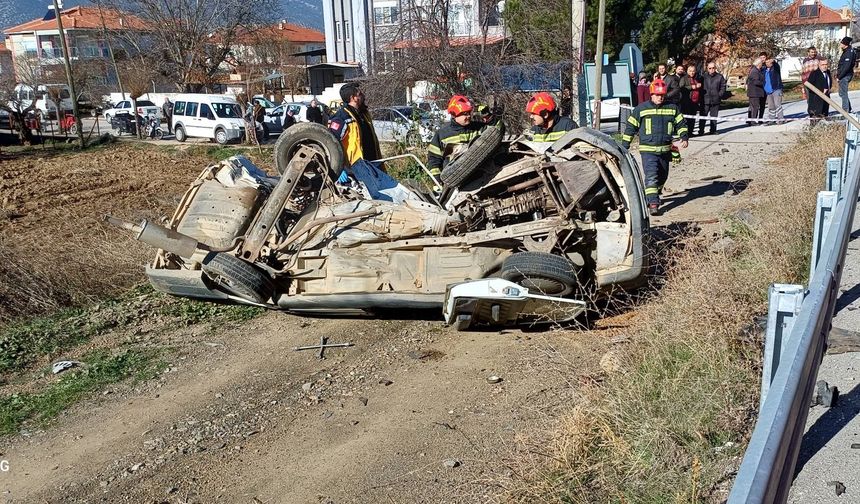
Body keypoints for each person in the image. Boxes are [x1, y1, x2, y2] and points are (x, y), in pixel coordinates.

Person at [620, 79, 689, 215]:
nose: (660, 97)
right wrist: (624, 147)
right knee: (651, 176)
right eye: (657, 95)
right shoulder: (641, 109)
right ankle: (653, 204)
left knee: (662, 177)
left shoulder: (672, 108)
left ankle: (652, 195)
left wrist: (684, 137)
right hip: (648, 151)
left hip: (665, 151)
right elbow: (630, 128)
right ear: (651, 94)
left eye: (662, 95)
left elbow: (681, 124)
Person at [427, 95, 486, 177]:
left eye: (469, 113)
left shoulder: (479, 128)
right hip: (454, 178)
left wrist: (489, 118)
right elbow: (434, 160)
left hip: (479, 174)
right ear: (454, 115)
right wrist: (437, 179)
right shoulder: (442, 135)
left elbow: (495, 132)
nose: (468, 116)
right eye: (465, 114)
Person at [329, 82, 382, 166]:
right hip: (354, 168)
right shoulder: (341, 118)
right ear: (353, 98)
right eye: (360, 94)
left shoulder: (364, 114)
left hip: (372, 163)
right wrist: (339, 167)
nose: (363, 96)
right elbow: (331, 143)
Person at [700, 62, 726, 135]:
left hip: (715, 100)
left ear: (715, 68)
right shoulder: (703, 76)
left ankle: (713, 130)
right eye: (710, 68)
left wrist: (719, 95)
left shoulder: (720, 77)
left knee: (714, 116)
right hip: (705, 100)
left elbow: (723, 87)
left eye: (713, 68)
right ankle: (701, 130)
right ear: (707, 69)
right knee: (703, 116)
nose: (711, 69)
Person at [837, 37, 857, 112]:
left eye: (841, 43)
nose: (840, 44)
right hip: (844, 75)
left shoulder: (849, 52)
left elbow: (846, 67)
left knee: (843, 93)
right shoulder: (846, 51)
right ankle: (848, 108)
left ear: (845, 44)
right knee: (841, 93)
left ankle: (846, 110)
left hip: (845, 75)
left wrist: (840, 76)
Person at [682, 65, 702, 135]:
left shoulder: (697, 78)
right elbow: (681, 88)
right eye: (690, 71)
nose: (692, 72)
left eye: (693, 71)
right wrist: (691, 87)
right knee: (687, 118)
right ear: (687, 71)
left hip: (695, 101)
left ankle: (691, 132)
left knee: (693, 118)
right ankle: (686, 133)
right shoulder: (684, 78)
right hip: (687, 101)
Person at [764, 57, 784, 124]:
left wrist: (774, 62)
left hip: (776, 89)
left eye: (768, 62)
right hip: (768, 91)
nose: (767, 63)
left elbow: (777, 66)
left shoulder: (775, 69)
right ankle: (771, 119)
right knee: (771, 106)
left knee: (777, 104)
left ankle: (781, 119)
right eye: (766, 62)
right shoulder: (765, 70)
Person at [746, 57, 765, 125]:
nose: (762, 65)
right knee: (755, 107)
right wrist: (763, 83)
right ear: (758, 64)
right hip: (754, 93)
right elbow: (756, 82)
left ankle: (750, 120)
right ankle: (753, 121)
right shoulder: (754, 71)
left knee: (752, 107)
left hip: (754, 92)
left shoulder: (755, 70)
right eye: (761, 64)